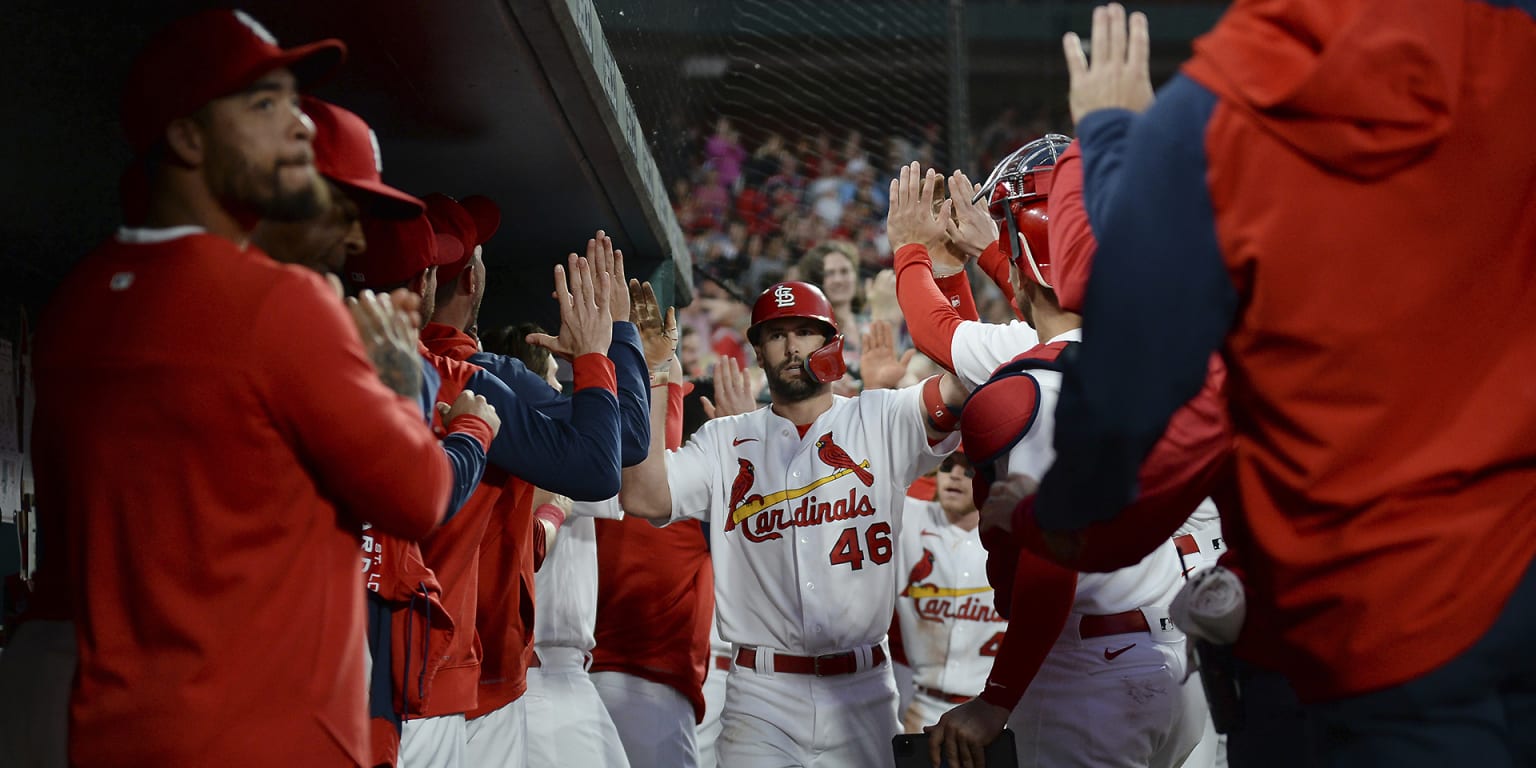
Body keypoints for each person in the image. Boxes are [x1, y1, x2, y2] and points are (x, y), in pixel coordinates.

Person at [1032, 2, 1536, 765]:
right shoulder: (1516, 52)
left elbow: (1125, 385)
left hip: (1383, 623)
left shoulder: (1211, 113)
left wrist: (1108, 134)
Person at [28, 10, 455, 766]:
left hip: (111, 734)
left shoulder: (78, 303)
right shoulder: (279, 301)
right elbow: (418, 495)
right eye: (262, 106)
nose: (294, 127)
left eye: (293, 102)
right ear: (189, 139)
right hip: (268, 738)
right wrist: (396, 381)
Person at [885, 162, 1206, 768]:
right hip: (1175, 660)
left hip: (1089, 666)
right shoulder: (1152, 353)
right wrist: (984, 259)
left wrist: (911, 250)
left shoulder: (1033, 378)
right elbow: (1048, 303)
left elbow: (1050, 565)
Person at [619, 278, 967, 767]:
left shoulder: (882, 416)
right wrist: (653, 372)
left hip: (863, 689)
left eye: (805, 331)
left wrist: (944, 274)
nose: (791, 346)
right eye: (777, 334)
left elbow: (963, 384)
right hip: (761, 696)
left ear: (831, 342)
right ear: (758, 351)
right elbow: (644, 495)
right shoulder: (725, 439)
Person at [417, 204, 647, 768]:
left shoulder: (358, 368)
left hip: (370, 661)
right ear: (471, 278)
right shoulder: (484, 380)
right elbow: (624, 448)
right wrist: (611, 339)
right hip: (474, 670)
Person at [892, 449, 1008, 733]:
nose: (955, 475)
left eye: (969, 469)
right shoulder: (908, 519)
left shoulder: (1011, 535)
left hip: (995, 714)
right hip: (921, 707)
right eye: (947, 465)